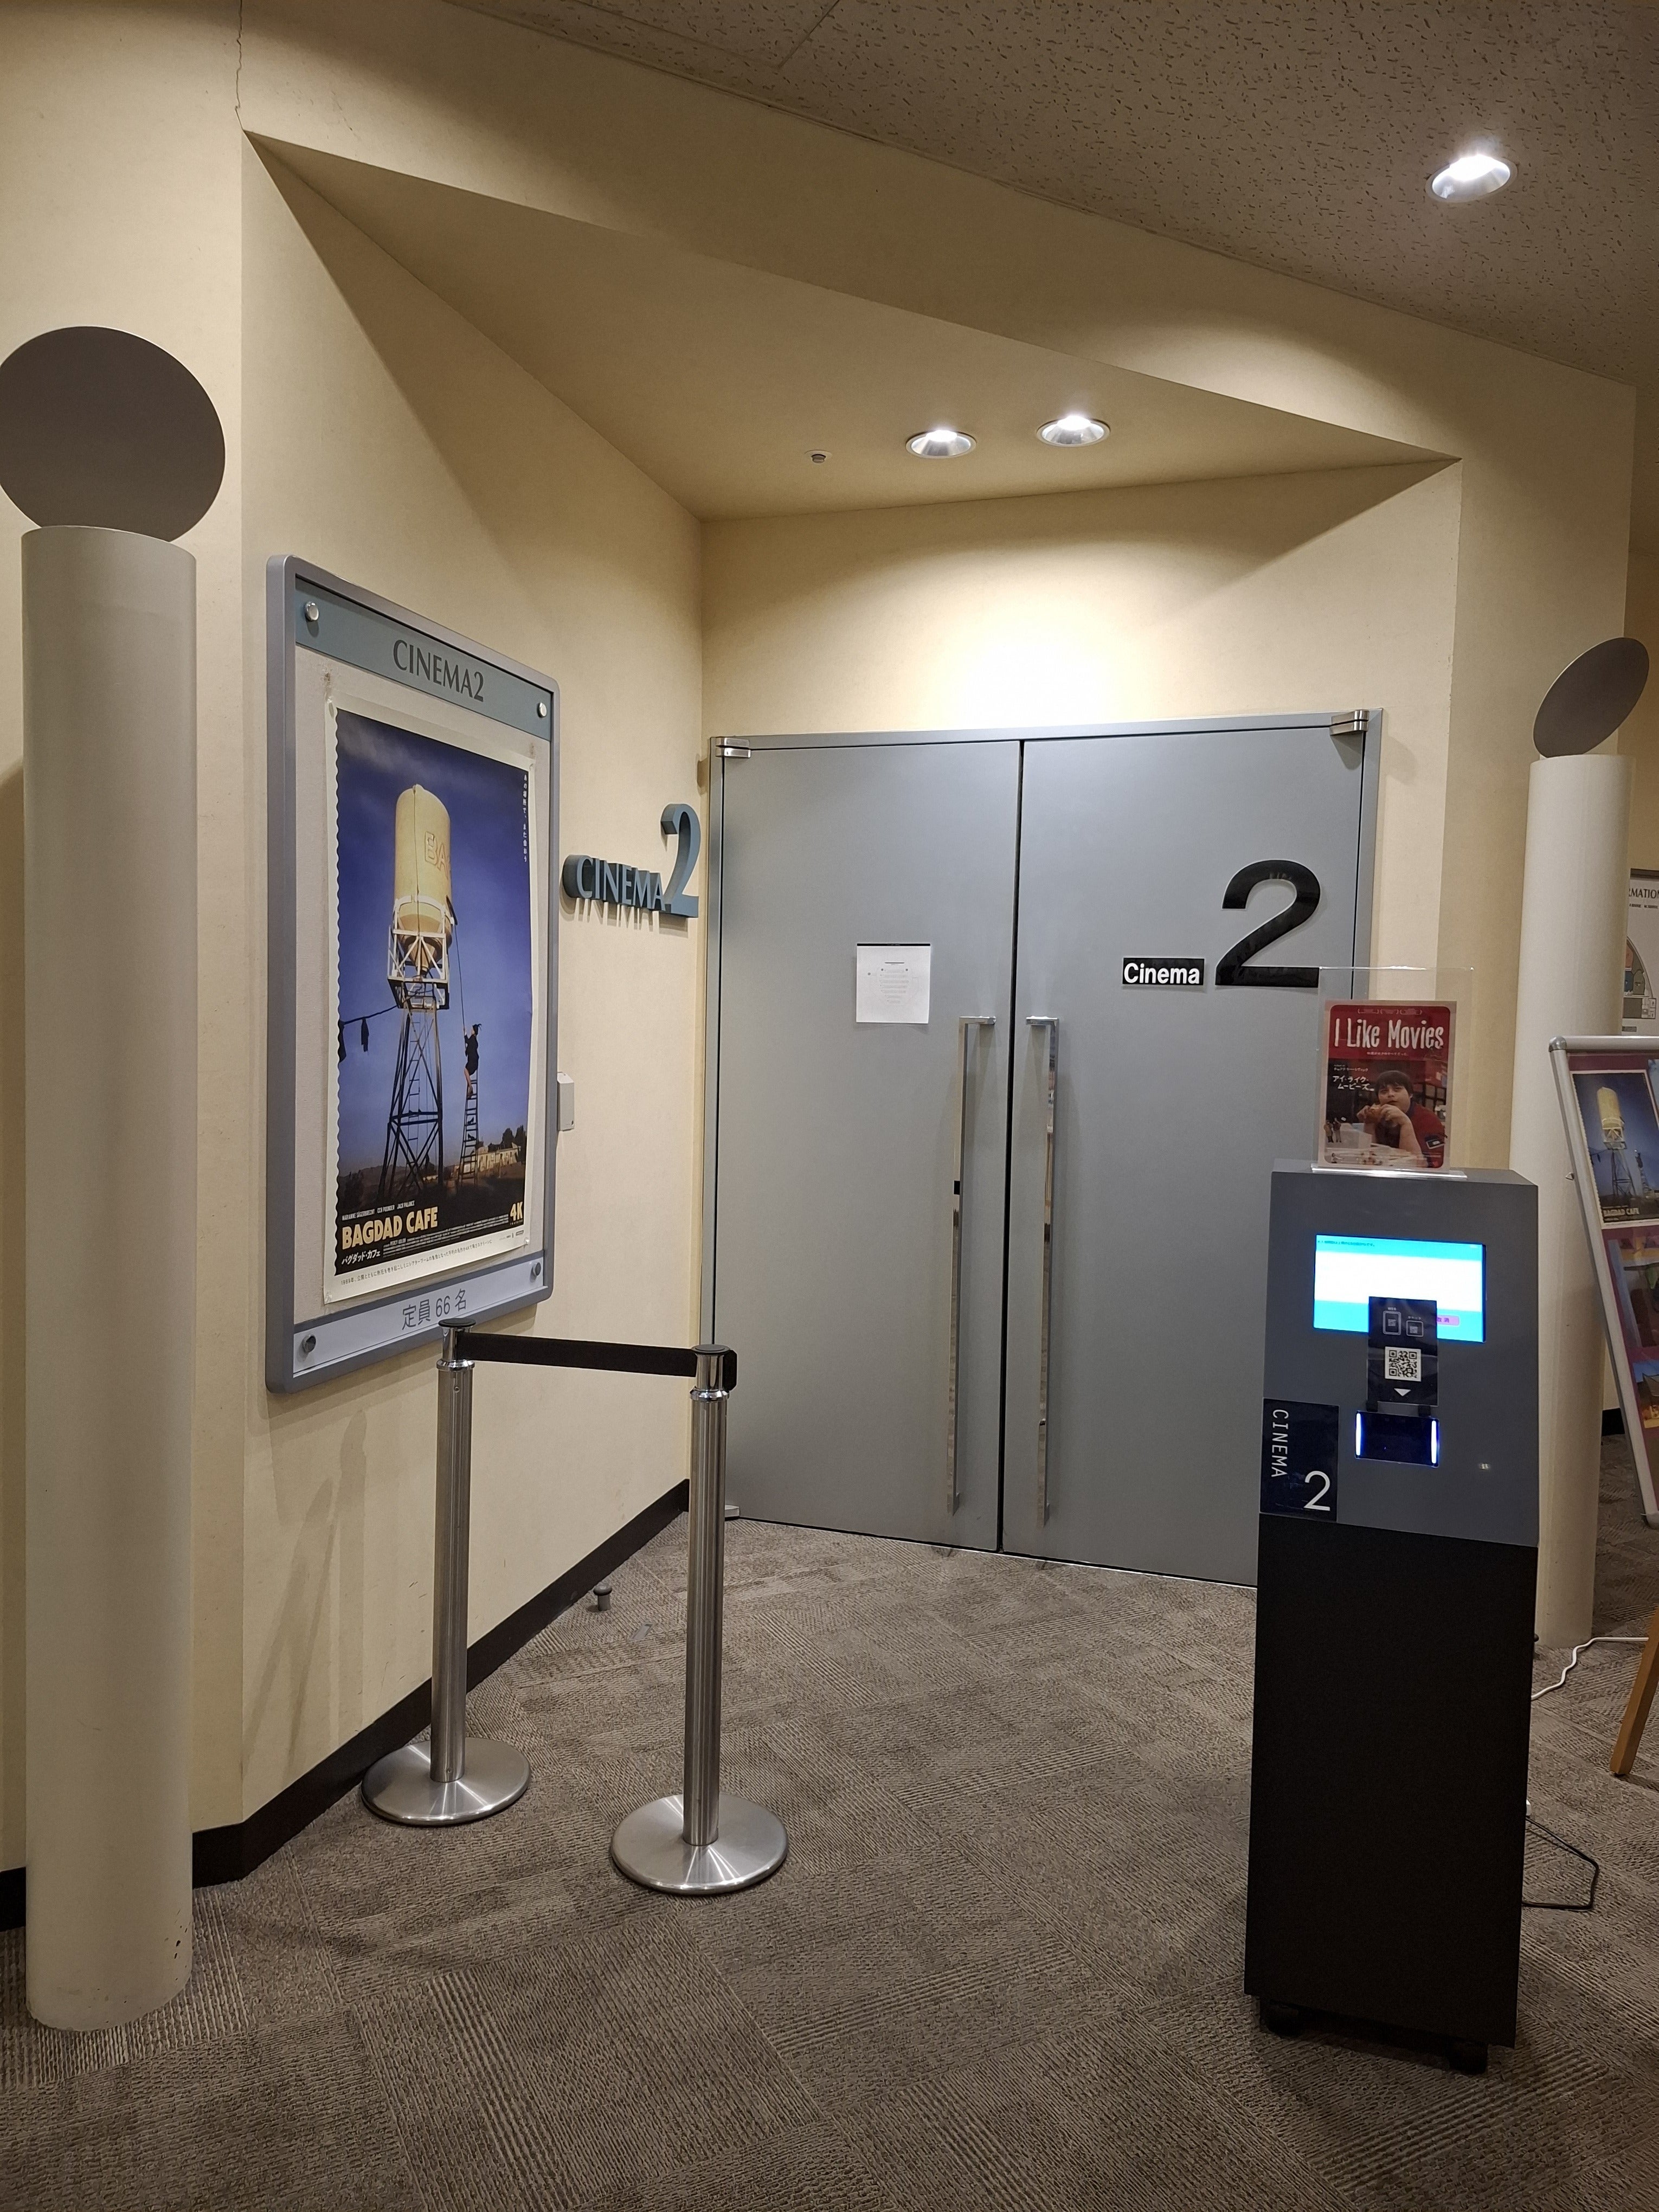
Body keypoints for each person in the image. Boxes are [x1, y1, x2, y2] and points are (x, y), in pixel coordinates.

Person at [1359, 1066, 1445, 1168]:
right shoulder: (1378, 1116)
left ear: (1410, 1094)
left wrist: (1405, 1123)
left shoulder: (1428, 1119)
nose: (1390, 1094)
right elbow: (1369, 1160)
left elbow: (1420, 1164)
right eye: (1384, 1092)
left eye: (1397, 1089)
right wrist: (1369, 1123)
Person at [464, 1023, 480, 1099]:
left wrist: (465, 1033)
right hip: (475, 1062)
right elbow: (470, 1046)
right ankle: (470, 1092)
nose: (471, 1031)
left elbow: (467, 1041)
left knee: (465, 1070)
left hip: (472, 1061)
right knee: (467, 1074)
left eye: (472, 1030)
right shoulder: (475, 1041)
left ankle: (471, 1088)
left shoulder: (472, 1038)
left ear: (474, 1031)